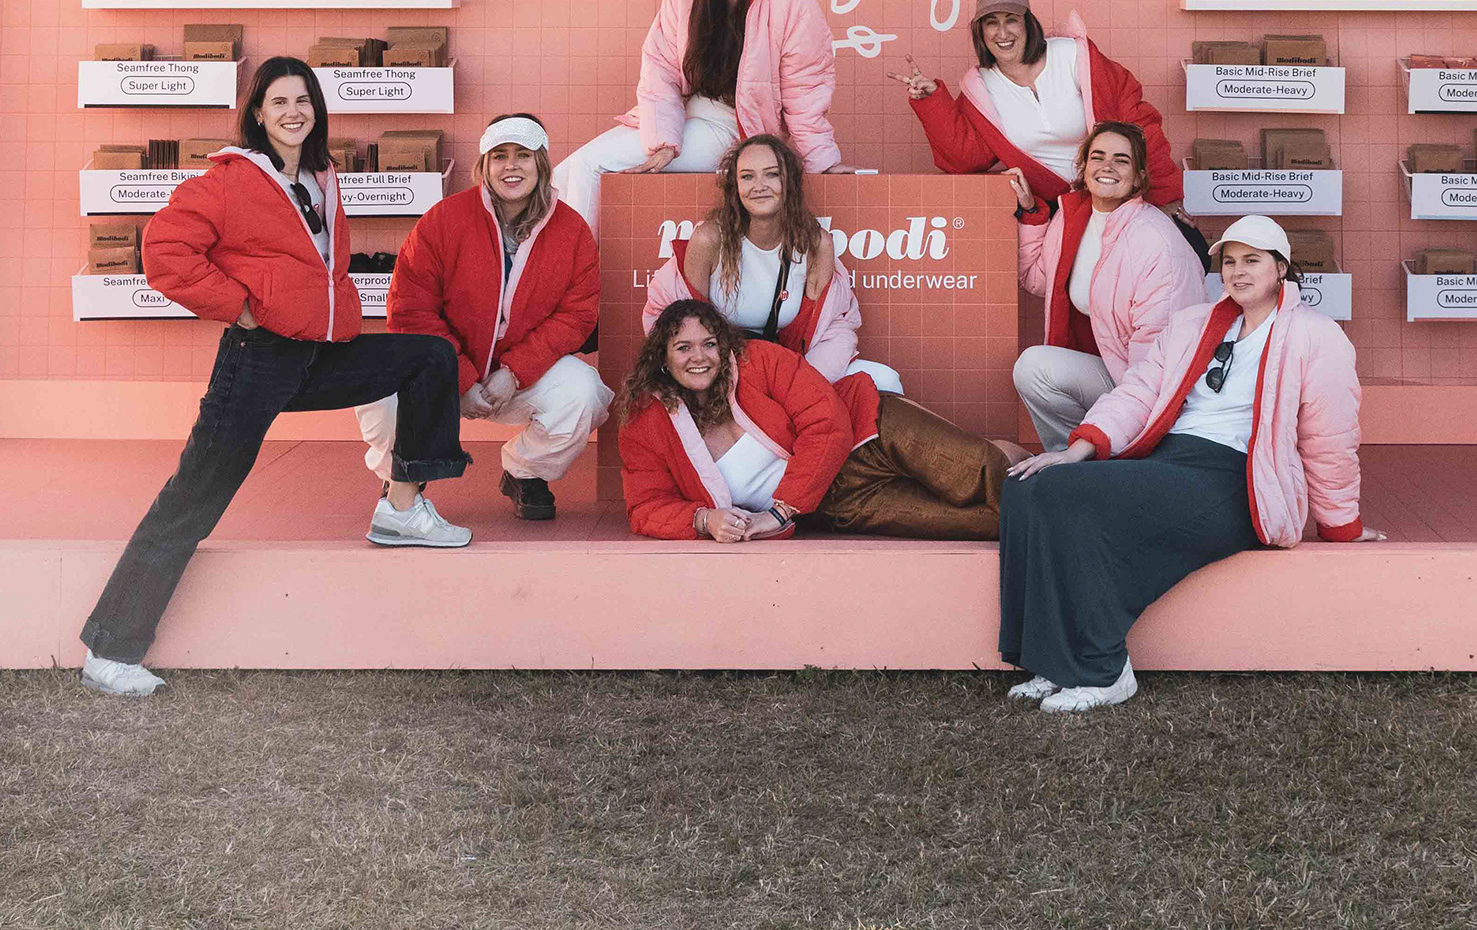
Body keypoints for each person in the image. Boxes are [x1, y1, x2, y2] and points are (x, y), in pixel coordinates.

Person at [76, 57, 473, 698]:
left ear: (317, 110)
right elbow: (164, 250)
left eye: (303, 100)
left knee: (428, 357)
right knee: (193, 499)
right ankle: (110, 650)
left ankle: (402, 509)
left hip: (320, 355)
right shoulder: (232, 179)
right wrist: (240, 306)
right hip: (256, 360)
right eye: (279, 102)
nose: (293, 112)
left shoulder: (320, 177)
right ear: (258, 113)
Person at [998, 215, 1373, 714]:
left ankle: (1104, 670)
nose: (1238, 272)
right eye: (1230, 262)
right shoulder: (1193, 324)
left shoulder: (1316, 335)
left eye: (1252, 260)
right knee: (1027, 487)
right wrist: (1078, 449)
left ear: (1281, 267)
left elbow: (1330, 438)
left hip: (1236, 478)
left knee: (1065, 494)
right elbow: (1139, 391)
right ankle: (1051, 659)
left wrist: (1341, 523)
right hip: (1172, 460)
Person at [352, 114, 606, 522]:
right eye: (499, 156)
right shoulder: (444, 219)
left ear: (541, 162)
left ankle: (526, 472)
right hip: (442, 371)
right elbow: (411, 308)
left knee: (583, 392)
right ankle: (402, 475)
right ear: (484, 166)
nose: (511, 166)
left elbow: (576, 315)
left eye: (523, 155)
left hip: (519, 377)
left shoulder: (571, 230)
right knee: (379, 385)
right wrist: (461, 376)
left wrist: (514, 373)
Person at [617, 299, 1008, 541]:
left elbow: (827, 422)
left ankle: (1033, 478)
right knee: (985, 523)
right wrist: (704, 519)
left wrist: (779, 512)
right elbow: (646, 506)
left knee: (980, 471)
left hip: (871, 432)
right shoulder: (645, 423)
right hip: (838, 504)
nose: (699, 357)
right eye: (683, 348)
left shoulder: (757, 359)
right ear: (663, 359)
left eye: (709, 344)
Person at [554, 0, 838, 223]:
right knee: (567, 171)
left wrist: (822, 162)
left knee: (591, 165)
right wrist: (663, 141)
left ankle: (575, 258)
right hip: (681, 114)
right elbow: (660, 69)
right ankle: (549, 254)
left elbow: (805, 91)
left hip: (734, 126)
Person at [640, 132, 907, 396]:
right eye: (747, 176)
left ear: (789, 181)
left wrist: (798, 386)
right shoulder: (710, 239)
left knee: (885, 379)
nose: (759, 186)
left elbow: (832, 328)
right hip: (722, 372)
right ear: (735, 186)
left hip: (788, 368)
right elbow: (680, 325)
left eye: (772, 174)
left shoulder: (816, 244)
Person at [899, 0, 1184, 214]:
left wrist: (1165, 197)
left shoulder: (1074, 56)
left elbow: (1140, 126)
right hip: (1055, 209)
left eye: (1011, 20)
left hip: (1116, 198)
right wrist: (931, 101)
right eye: (991, 22)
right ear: (980, 31)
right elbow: (964, 158)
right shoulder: (980, 88)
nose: (1002, 33)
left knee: (1183, 244)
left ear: (1028, 23)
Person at [1010, 122, 1211, 450]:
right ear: (1084, 167)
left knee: (1044, 371)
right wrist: (1032, 213)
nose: (1107, 166)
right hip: (1115, 369)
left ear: (1139, 177)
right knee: (1034, 367)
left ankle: (1105, 453)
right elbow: (1037, 280)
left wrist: (1117, 421)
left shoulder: (1156, 240)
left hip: (1153, 386)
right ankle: (1071, 460)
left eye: (1121, 160)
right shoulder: (1072, 218)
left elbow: (1157, 362)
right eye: (1098, 157)